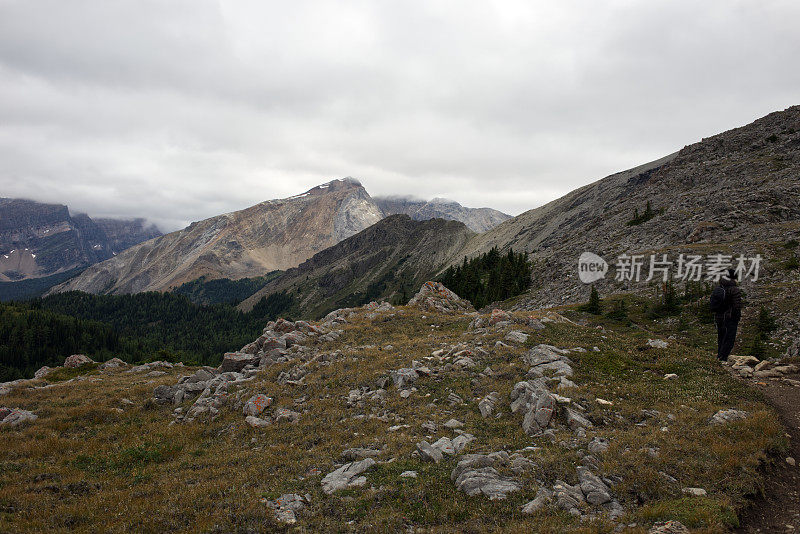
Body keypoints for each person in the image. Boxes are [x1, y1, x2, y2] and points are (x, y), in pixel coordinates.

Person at [711, 268, 743, 361]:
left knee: (721, 337)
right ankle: (723, 358)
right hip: (730, 318)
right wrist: (737, 317)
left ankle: (719, 356)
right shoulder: (734, 289)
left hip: (719, 318)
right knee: (729, 339)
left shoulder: (720, 287)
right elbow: (737, 306)